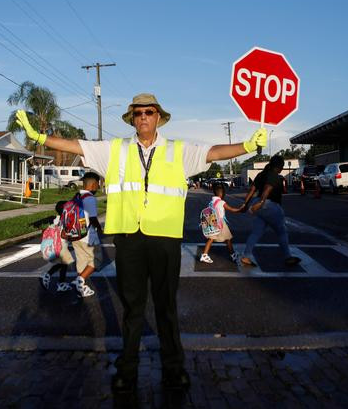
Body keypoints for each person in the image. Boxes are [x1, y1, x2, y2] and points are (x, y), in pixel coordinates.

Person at [15, 93, 266, 394]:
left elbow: (213, 152)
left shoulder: (178, 151)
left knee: (166, 308)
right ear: (132, 118)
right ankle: (128, 369)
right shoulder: (115, 149)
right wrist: (39, 136)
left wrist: (247, 146)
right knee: (133, 309)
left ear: (159, 116)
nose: (144, 116)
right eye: (138, 113)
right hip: (129, 239)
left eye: (149, 111)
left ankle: (174, 370)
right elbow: (74, 145)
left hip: (165, 239)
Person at [240, 155, 300, 267]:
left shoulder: (261, 174)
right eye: (282, 166)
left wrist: (245, 204)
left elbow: (252, 190)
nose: (282, 168)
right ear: (278, 166)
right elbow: (267, 189)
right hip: (268, 205)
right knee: (282, 231)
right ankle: (287, 257)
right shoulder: (274, 175)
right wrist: (261, 203)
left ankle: (246, 256)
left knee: (256, 232)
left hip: (258, 205)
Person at [70, 171, 103, 298]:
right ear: (93, 185)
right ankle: (80, 281)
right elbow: (93, 219)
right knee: (97, 260)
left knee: (82, 261)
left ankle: (80, 287)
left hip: (76, 235)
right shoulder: (90, 198)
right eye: (98, 184)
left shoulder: (77, 196)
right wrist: (100, 230)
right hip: (88, 236)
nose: (98, 187)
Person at [199, 182, 242, 264]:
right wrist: (240, 209)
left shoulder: (211, 202)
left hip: (213, 222)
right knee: (228, 239)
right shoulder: (221, 202)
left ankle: (204, 255)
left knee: (211, 238)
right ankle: (233, 255)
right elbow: (232, 209)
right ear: (221, 193)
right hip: (221, 223)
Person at [41, 200, 74, 293]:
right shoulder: (66, 219)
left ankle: (61, 283)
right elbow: (65, 234)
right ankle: (47, 275)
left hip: (57, 244)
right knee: (63, 264)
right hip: (62, 244)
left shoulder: (57, 218)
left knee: (64, 265)